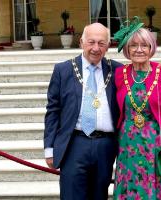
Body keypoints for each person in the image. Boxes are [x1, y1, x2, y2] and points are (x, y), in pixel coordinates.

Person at [44, 23, 122, 200]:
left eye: (101, 43)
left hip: (106, 146)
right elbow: (53, 111)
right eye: (91, 42)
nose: (96, 48)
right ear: (81, 42)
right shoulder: (63, 70)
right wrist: (49, 148)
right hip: (74, 143)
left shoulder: (117, 70)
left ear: (108, 46)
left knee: (99, 195)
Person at [112, 17, 161, 199]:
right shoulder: (120, 74)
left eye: (144, 45)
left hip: (156, 141)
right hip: (128, 144)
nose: (139, 50)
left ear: (152, 48)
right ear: (127, 50)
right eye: (133, 45)